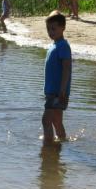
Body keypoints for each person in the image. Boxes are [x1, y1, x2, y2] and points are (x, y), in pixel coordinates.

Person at [42, 10, 72, 145]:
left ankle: (48, 147)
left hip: (57, 91)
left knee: (46, 120)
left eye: (54, 28)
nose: (51, 32)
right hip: (52, 91)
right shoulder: (54, 45)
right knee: (56, 121)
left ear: (63, 28)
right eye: (48, 29)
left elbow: (67, 68)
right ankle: (62, 142)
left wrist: (62, 90)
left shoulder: (63, 46)